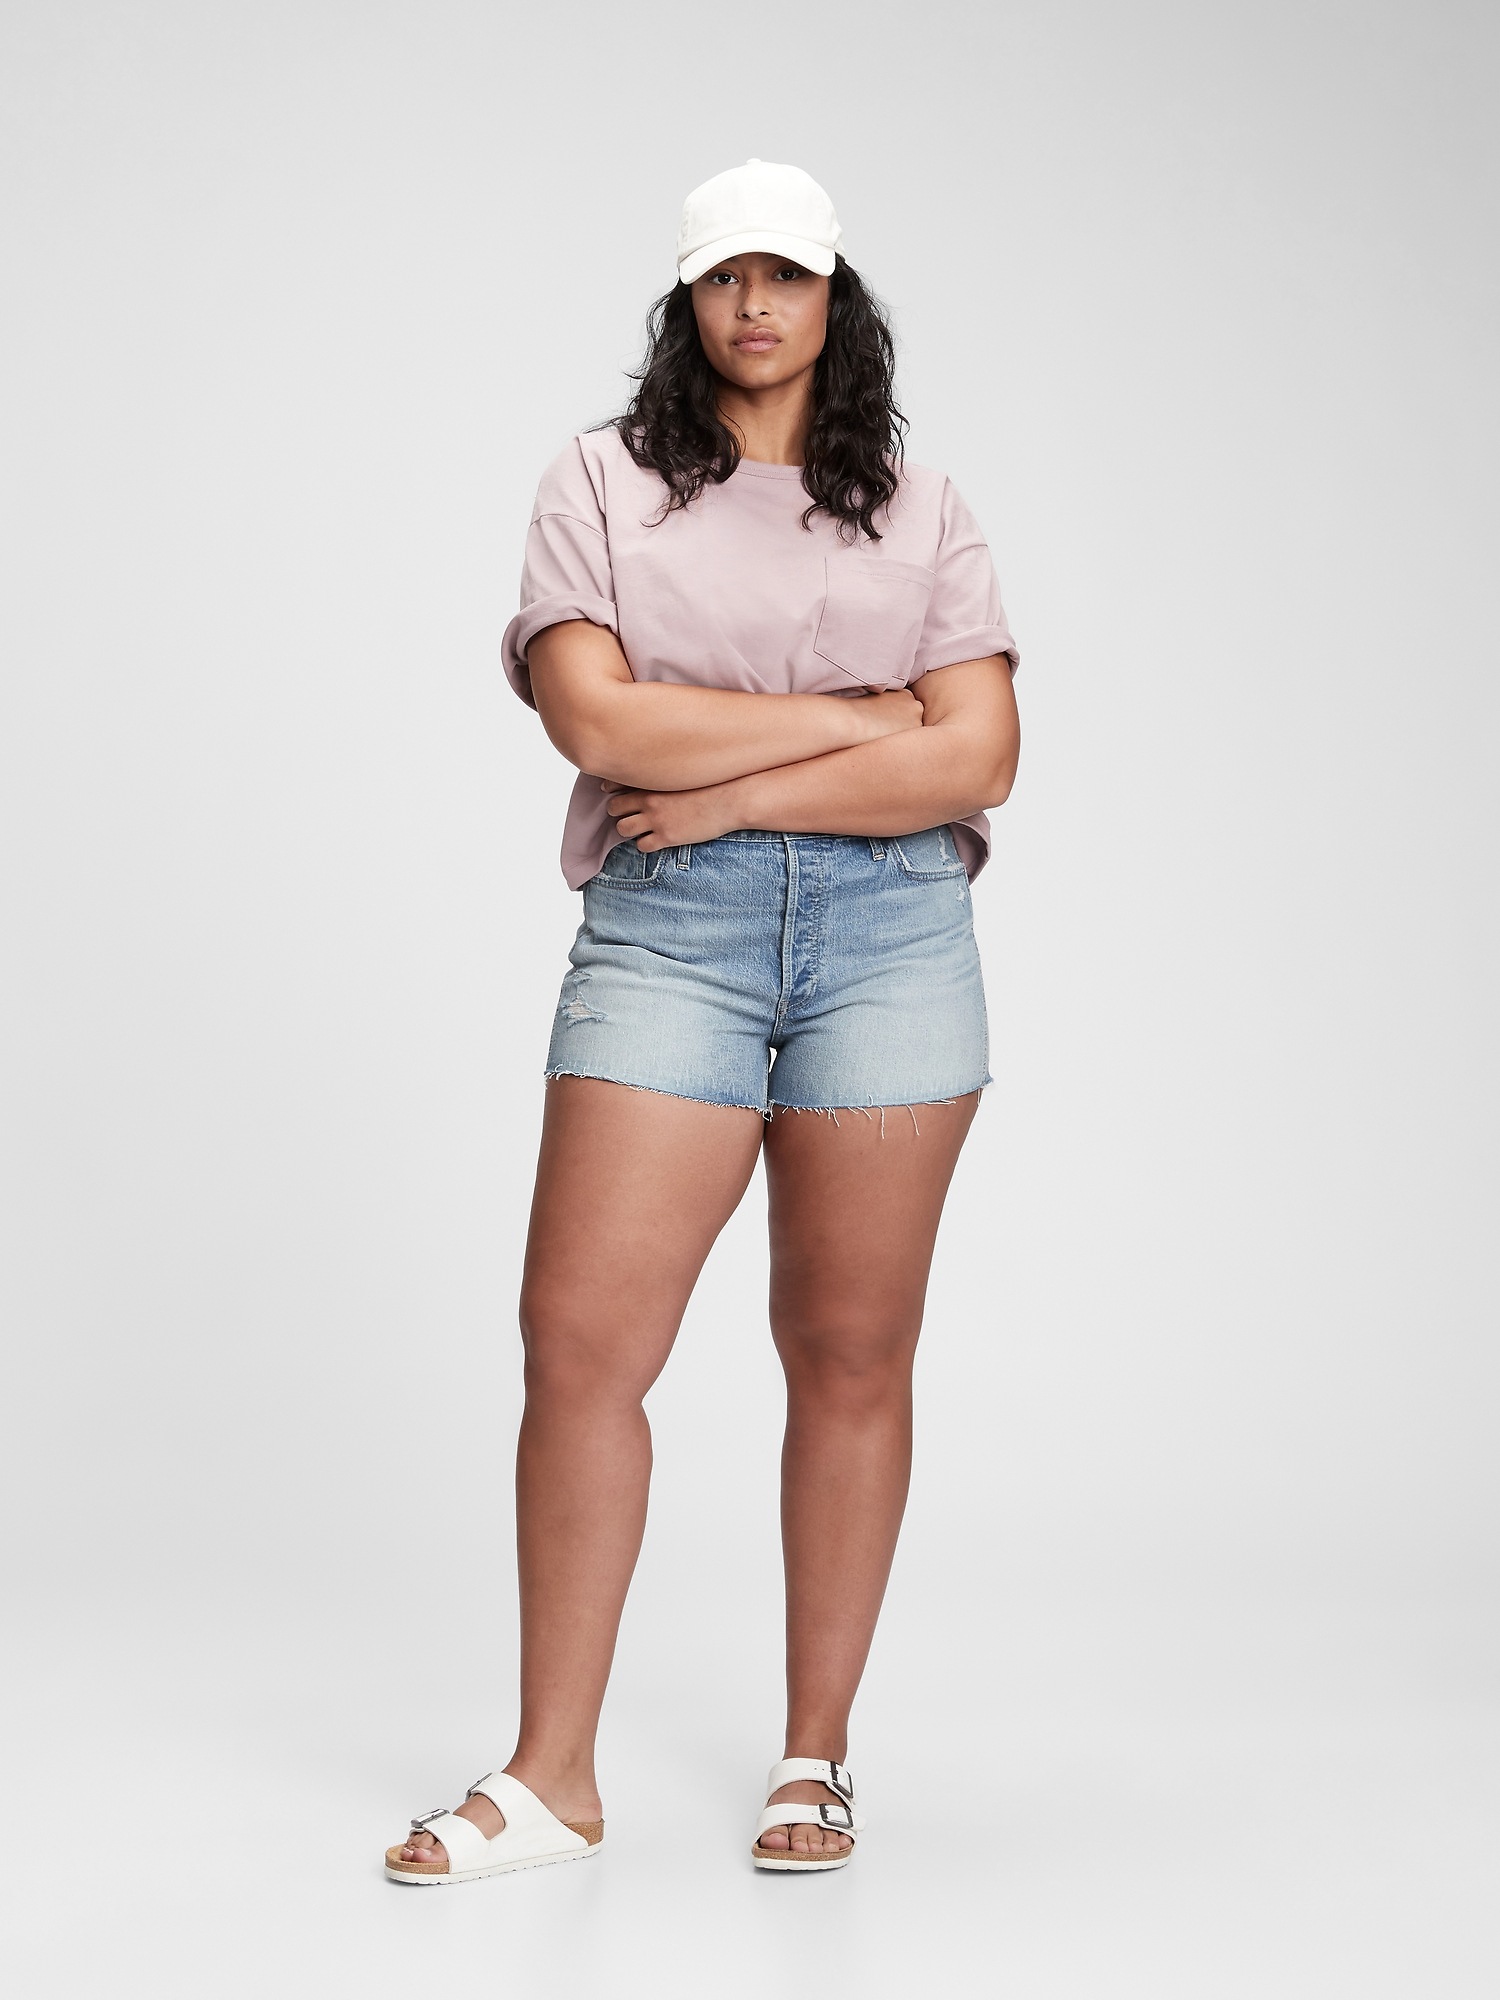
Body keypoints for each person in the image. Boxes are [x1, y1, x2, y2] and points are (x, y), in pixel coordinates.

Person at [385, 157, 1021, 1885]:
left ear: (833, 299)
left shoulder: (922, 506)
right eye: (726, 276)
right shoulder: (599, 482)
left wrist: (739, 784)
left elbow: (979, 758)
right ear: (687, 300)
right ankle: (552, 1780)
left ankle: (816, 1757)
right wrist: (865, 721)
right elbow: (601, 728)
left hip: (892, 938)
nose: (756, 303)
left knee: (850, 1349)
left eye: (787, 276)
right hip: (673, 934)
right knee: (582, 1345)